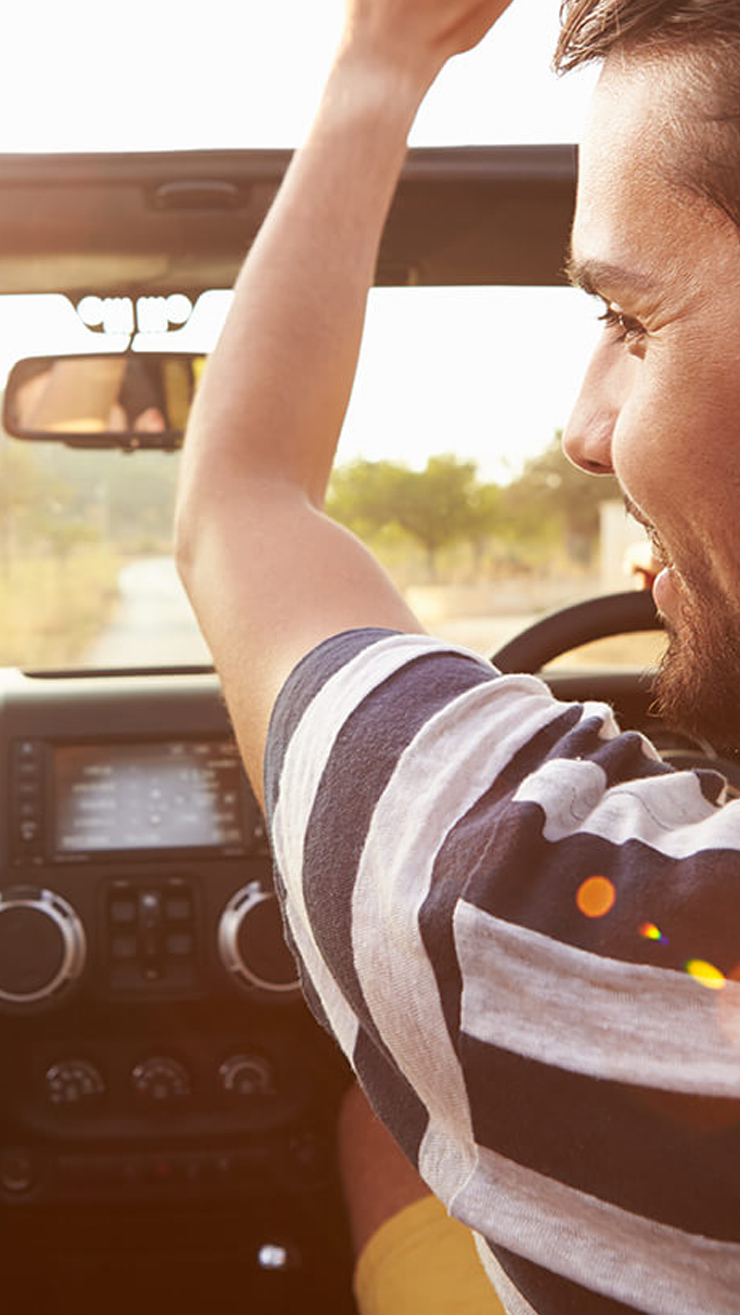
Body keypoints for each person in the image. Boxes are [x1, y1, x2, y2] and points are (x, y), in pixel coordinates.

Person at [174, 0, 740, 1310]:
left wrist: (383, 60)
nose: (583, 428)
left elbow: (243, 501)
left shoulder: (523, 915)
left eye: (633, 321)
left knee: (388, 1121)